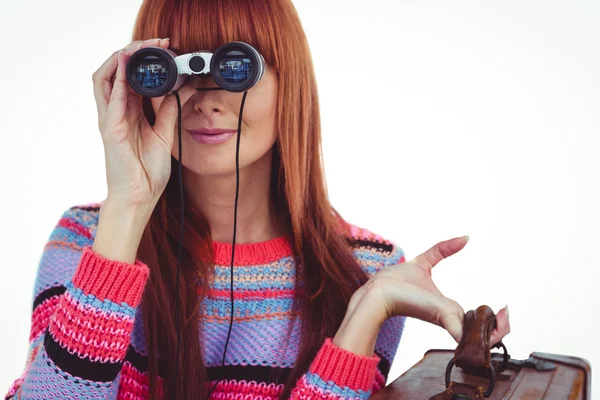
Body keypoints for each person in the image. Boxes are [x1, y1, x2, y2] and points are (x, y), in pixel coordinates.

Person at [5, 0, 510, 399]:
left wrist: (366, 314)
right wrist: (128, 207)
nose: (207, 98)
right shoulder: (89, 239)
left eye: (235, 66)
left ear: (288, 81)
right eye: (176, 70)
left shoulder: (364, 271)